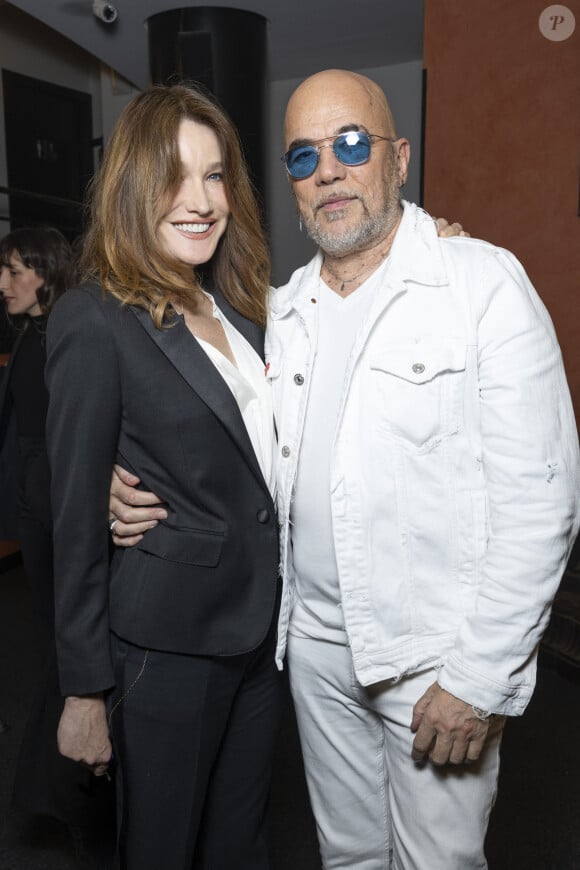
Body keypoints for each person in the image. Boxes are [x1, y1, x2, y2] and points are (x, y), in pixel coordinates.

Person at [111, 69, 580, 869]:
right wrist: (114, 484)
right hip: (314, 655)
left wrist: (479, 677)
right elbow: (213, 431)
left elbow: (543, 503)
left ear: (398, 160)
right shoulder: (279, 315)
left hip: (436, 659)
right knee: (348, 857)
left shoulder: (480, 285)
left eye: (351, 145)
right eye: (303, 157)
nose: (328, 171)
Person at [45, 84, 281, 869]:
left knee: (237, 847)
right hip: (166, 649)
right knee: (160, 849)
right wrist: (83, 689)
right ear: (132, 184)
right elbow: (76, 516)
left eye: (216, 176)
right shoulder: (94, 317)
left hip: (263, 639)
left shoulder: (245, 306)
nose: (201, 200)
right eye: (175, 174)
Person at [0, 228, 113, 841]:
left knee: (66, 654)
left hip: (60, 510)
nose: (2, 283)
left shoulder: (65, 335)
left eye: (15, 270)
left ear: (45, 272)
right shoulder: (29, 337)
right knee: (51, 647)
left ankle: (75, 800)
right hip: (36, 508)